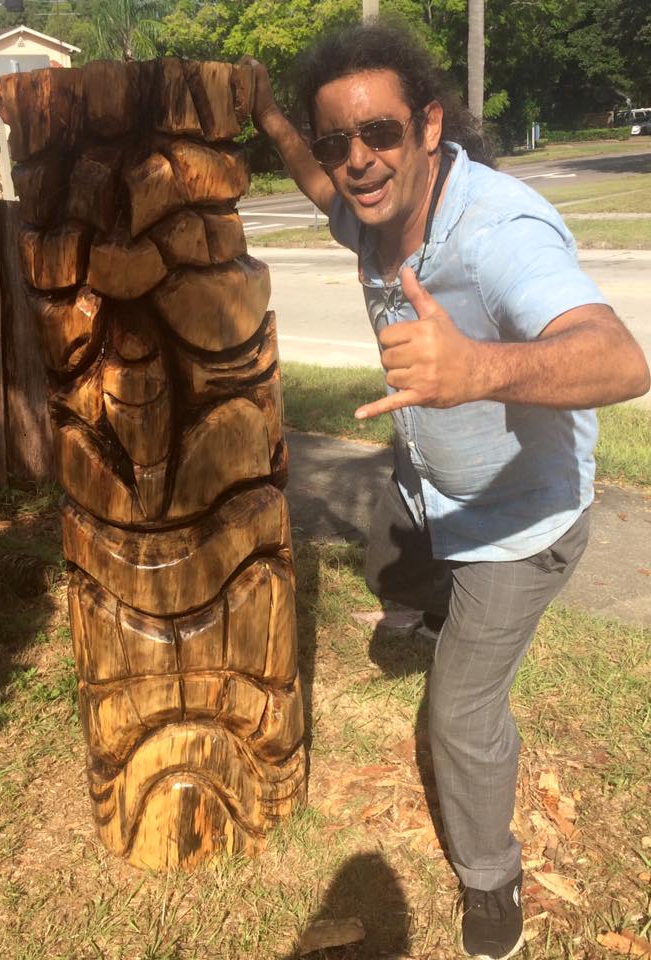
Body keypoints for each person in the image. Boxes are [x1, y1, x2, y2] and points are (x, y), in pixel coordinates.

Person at [243, 22, 650, 960]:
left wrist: (477, 369)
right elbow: (314, 181)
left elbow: (621, 358)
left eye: (379, 132)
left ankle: (491, 880)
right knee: (393, 551)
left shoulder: (499, 231)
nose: (357, 160)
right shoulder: (367, 208)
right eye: (338, 140)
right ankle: (429, 608)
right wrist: (267, 116)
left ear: (430, 126)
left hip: (520, 520)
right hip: (431, 483)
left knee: (460, 713)